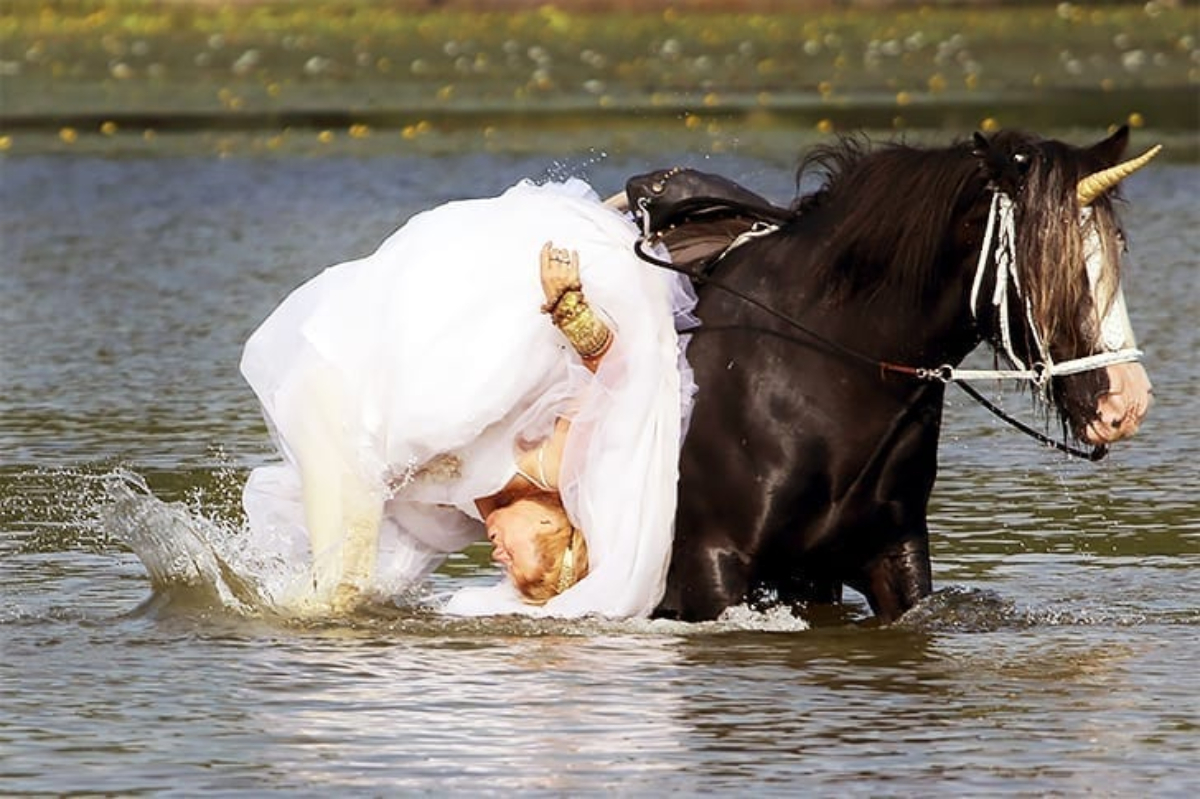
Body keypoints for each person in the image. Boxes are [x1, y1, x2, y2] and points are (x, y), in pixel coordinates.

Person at [239, 178, 697, 618]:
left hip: (348, 431)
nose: (498, 557)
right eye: (517, 560)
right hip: (385, 386)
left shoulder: (478, 515)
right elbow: (616, 384)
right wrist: (569, 306)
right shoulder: (556, 466)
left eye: (506, 571)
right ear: (548, 526)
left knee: (343, 589)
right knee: (340, 587)